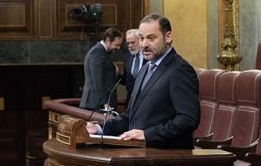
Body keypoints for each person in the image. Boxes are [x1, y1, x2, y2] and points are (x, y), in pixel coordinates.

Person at [86, 14, 200, 149]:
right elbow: (130, 116)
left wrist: (147, 135)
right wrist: (99, 128)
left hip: (166, 156)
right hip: (140, 154)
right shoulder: (146, 68)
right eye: (141, 38)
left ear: (168, 37)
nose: (144, 44)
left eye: (151, 38)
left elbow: (188, 119)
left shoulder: (180, 70)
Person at [80, 27, 124, 111]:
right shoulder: (96, 53)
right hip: (97, 105)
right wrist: (105, 103)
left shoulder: (103, 53)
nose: (118, 48)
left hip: (100, 104)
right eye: (117, 44)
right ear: (108, 40)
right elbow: (97, 81)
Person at [122, 28, 146, 103]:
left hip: (147, 99)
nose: (130, 46)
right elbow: (126, 79)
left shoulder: (150, 56)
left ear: (140, 40)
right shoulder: (127, 58)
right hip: (131, 100)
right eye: (128, 43)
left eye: (132, 42)